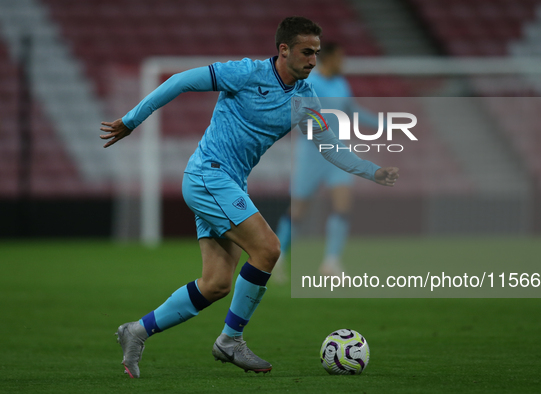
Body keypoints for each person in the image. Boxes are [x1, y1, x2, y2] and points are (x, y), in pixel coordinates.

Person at [100, 16, 399, 379]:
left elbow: (331, 148)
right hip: (209, 174)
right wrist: (131, 121)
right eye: (306, 52)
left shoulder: (305, 99)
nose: (313, 61)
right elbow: (179, 81)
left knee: (216, 284)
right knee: (268, 249)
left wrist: (372, 171)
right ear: (284, 50)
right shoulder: (244, 73)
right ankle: (231, 340)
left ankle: (136, 331)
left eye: (317, 53)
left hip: (228, 184)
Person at [274, 42, 382, 281]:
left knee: (343, 205)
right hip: (312, 154)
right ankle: (276, 258)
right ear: (329, 59)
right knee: (298, 210)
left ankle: (331, 261)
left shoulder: (341, 84)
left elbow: (351, 110)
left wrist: (381, 123)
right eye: (340, 58)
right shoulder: (310, 84)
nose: (343, 63)